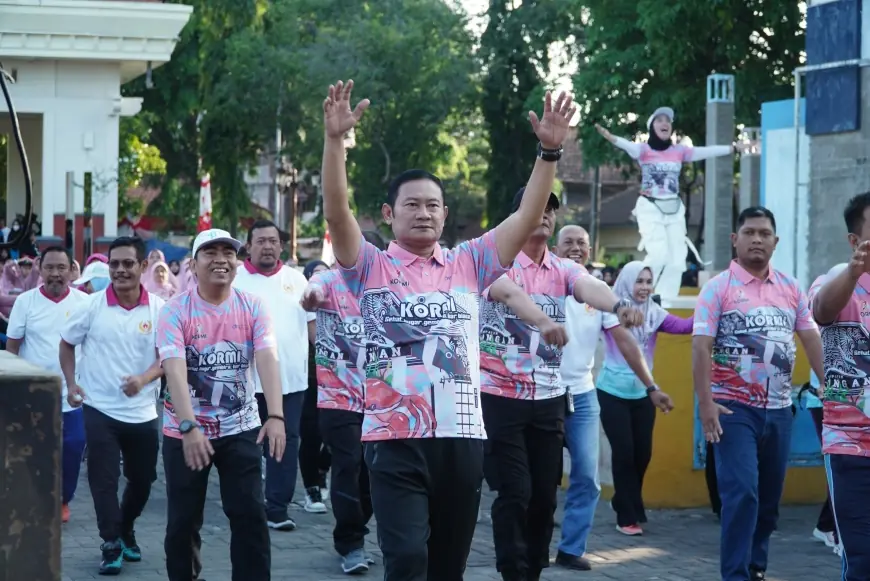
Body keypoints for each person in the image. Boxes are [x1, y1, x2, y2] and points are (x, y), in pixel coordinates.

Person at [320, 78, 576, 581]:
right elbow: (336, 210)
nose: (423, 213)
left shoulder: (470, 263)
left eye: (433, 205)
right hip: (394, 437)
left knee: (447, 568)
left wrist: (548, 152)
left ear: (444, 215)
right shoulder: (368, 265)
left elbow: (527, 217)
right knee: (407, 560)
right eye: (412, 205)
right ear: (390, 215)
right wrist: (335, 143)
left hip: (462, 439)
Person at [479, 197, 642, 581]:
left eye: (551, 211)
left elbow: (588, 287)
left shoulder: (563, 269)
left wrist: (618, 306)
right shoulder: (491, 260)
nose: (545, 216)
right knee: (515, 492)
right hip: (499, 397)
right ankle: (512, 572)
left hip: (550, 399)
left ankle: (532, 570)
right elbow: (508, 294)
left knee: (543, 497)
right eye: (537, 208)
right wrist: (540, 320)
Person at [693, 206, 825, 581]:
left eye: (764, 233)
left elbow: (811, 338)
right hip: (732, 410)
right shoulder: (717, 288)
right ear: (735, 239)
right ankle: (735, 573)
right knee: (742, 494)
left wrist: (831, 389)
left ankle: (756, 566)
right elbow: (700, 346)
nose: (756, 239)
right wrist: (705, 405)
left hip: (781, 410)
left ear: (775, 241)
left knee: (768, 502)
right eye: (749, 232)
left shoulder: (790, 287)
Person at [157, 228, 287, 581]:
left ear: (237, 261)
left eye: (228, 253)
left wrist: (274, 415)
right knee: (183, 523)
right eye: (210, 253)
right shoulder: (174, 311)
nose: (220, 259)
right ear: (193, 265)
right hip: (183, 431)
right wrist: (189, 426)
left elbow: (267, 358)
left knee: (250, 517)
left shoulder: (253, 306)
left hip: (240, 428)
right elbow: (174, 371)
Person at [551, 227, 661, 568]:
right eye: (567, 242)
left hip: (582, 394)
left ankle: (571, 548)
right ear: (555, 247)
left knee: (586, 475)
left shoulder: (597, 292)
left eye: (581, 243)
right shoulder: (544, 282)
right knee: (538, 480)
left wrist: (651, 386)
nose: (575, 248)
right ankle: (533, 542)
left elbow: (626, 341)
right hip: (541, 393)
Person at [58, 236, 164, 575]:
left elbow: (168, 359)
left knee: (143, 479)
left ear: (143, 266)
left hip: (143, 411)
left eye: (127, 263)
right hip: (99, 407)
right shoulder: (92, 306)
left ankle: (126, 526)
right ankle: (110, 542)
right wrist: (72, 383)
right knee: (103, 478)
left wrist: (143, 380)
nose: (120, 270)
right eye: (114, 264)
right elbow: (66, 343)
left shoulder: (160, 309)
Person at [300, 230, 388, 574]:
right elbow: (314, 288)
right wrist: (310, 296)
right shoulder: (329, 280)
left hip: (384, 400)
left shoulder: (390, 287)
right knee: (348, 465)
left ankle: (354, 527)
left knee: (372, 474)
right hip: (338, 398)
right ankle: (351, 542)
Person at [595, 109, 748, 298]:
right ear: (652, 126)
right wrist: (611, 137)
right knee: (658, 255)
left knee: (677, 260)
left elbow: (706, 152)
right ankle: (633, 291)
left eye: (667, 120)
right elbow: (626, 145)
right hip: (650, 207)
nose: (664, 123)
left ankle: (664, 300)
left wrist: (732, 148)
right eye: (659, 120)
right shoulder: (643, 150)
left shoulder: (679, 151)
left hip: (674, 208)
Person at [232, 219, 314, 530]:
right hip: (246, 381)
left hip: (291, 380)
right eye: (260, 241)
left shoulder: (298, 280)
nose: (267, 246)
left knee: (286, 440)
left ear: (280, 245)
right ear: (248, 247)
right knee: (247, 443)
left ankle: (277, 508)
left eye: (273, 240)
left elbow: (312, 327)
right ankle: (248, 503)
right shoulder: (236, 281)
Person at [596, 261, 683, 535]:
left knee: (642, 454)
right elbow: (628, 347)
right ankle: (627, 516)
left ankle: (623, 500)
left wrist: (712, 311)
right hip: (612, 392)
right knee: (624, 453)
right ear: (626, 282)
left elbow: (684, 326)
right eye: (639, 281)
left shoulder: (654, 313)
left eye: (648, 282)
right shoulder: (612, 311)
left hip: (644, 395)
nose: (644, 287)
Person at [5, 246, 88, 523]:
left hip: (72, 392)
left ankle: (63, 499)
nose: (55, 274)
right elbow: (13, 346)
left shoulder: (83, 302)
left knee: (74, 445)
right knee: (35, 449)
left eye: (61, 268)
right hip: (33, 392)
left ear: (71, 270)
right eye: (50, 267)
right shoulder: (25, 302)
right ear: (40, 268)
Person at [811, 193, 870, 580]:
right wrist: (853, 273)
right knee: (863, 558)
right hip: (852, 444)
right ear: (855, 240)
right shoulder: (835, 279)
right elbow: (821, 311)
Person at [298, 259, 333, 514]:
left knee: (333, 437)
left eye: (325, 274)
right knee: (310, 434)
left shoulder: (341, 303)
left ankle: (323, 468)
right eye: (315, 275)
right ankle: (311, 488)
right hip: (308, 380)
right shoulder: (301, 304)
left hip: (338, 381)